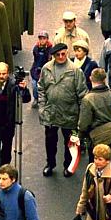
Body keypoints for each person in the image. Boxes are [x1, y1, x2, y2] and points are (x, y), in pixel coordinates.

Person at [38, 43, 86, 177]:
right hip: (51, 112)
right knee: (50, 141)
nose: (60, 57)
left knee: (69, 142)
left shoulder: (75, 70)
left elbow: (82, 94)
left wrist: (81, 116)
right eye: (57, 55)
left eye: (63, 54)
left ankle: (68, 165)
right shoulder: (46, 68)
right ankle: (50, 164)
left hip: (69, 113)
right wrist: (42, 107)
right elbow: (41, 88)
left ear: (66, 53)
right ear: (53, 55)